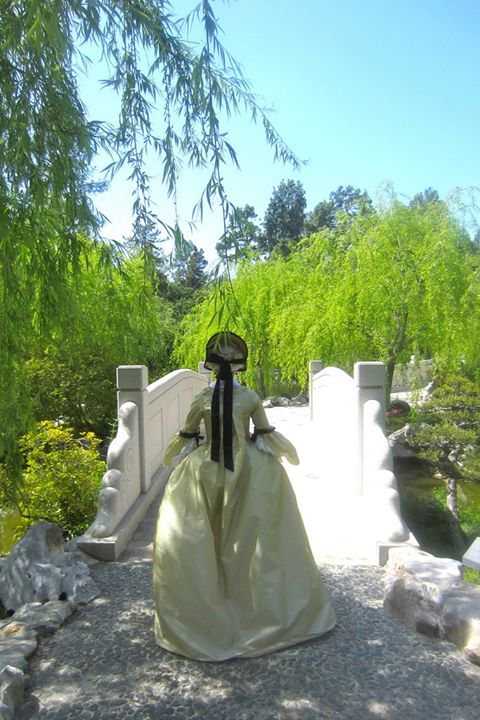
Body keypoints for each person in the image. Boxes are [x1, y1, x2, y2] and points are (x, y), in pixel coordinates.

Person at [153, 331, 335, 661]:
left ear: (210, 366)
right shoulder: (249, 397)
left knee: (203, 538)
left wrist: (175, 456)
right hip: (249, 469)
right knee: (254, 539)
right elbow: (264, 433)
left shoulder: (201, 399)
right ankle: (255, 608)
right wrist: (283, 453)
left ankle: (208, 611)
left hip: (205, 469)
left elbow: (188, 434)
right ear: (240, 366)